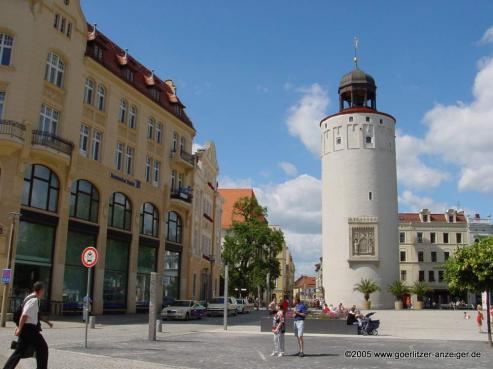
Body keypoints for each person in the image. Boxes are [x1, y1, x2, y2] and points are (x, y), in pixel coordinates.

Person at [3, 282, 51, 369]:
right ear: (40, 290)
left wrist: (47, 322)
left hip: (27, 328)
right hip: (29, 329)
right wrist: (19, 328)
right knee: (43, 348)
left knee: (19, 352)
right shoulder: (34, 300)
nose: (44, 292)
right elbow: (24, 315)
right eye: (43, 290)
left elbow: (32, 315)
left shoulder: (30, 297)